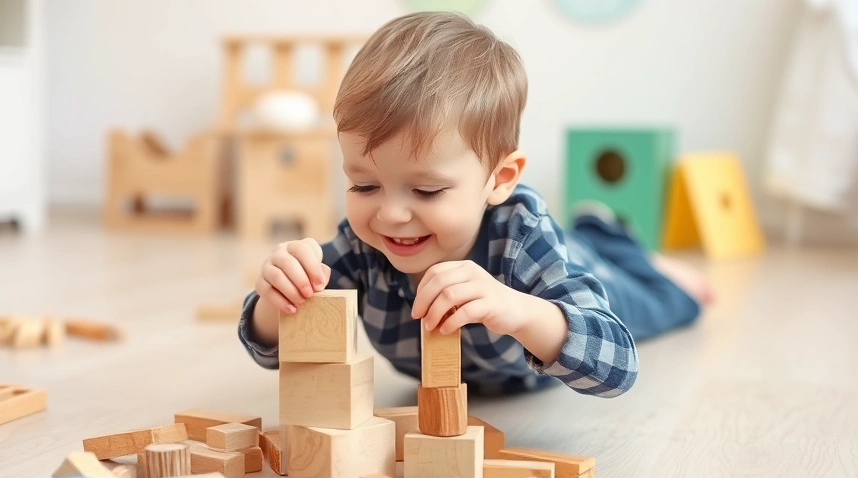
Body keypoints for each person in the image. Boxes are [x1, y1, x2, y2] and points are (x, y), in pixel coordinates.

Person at [238, 11, 712, 397]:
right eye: (364, 186)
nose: (390, 214)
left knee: (666, 303)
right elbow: (274, 352)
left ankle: (632, 254)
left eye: (425, 191)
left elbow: (618, 366)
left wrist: (520, 310)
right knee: (590, 246)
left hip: (576, 272)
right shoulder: (360, 245)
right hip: (493, 356)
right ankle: (599, 233)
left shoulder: (520, 235)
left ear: (499, 179)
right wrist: (275, 301)